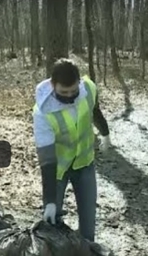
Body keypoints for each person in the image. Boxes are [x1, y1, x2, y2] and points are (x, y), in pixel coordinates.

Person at [32, 58, 110, 242]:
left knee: (88, 223)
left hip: (85, 163)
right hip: (58, 170)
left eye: (73, 91)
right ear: (53, 85)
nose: (69, 96)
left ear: (79, 84)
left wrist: (105, 133)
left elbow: (95, 110)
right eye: (63, 92)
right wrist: (50, 200)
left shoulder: (89, 89)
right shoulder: (42, 113)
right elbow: (47, 159)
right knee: (51, 222)